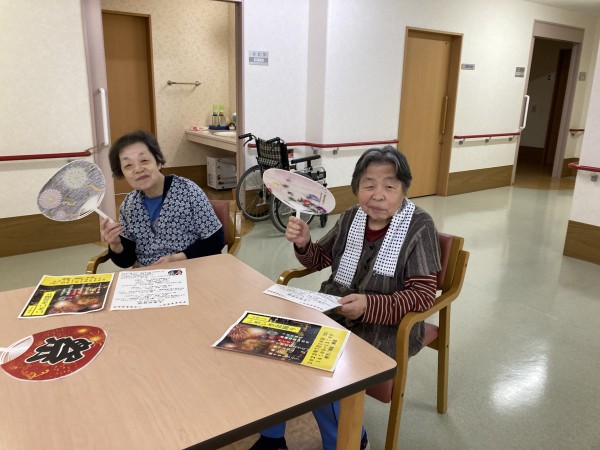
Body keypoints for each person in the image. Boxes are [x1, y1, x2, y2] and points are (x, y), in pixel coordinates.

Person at [250, 146, 441, 450]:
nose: (378, 195)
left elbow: (423, 296)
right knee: (275, 341)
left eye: (389, 186)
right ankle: (273, 439)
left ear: (403, 189)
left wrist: (369, 306)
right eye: (369, 185)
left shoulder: (420, 225)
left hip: (386, 327)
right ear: (356, 188)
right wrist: (304, 242)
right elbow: (319, 259)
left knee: (322, 364)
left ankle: (351, 441)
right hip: (334, 311)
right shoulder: (352, 216)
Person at [100, 130, 224, 267]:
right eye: (128, 165)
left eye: (144, 160)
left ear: (158, 161)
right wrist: (115, 244)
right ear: (122, 173)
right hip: (148, 276)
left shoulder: (188, 191)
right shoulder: (129, 205)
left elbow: (215, 241)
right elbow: (126, 261)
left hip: (188, 270)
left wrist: (179, 258)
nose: (138, 169)